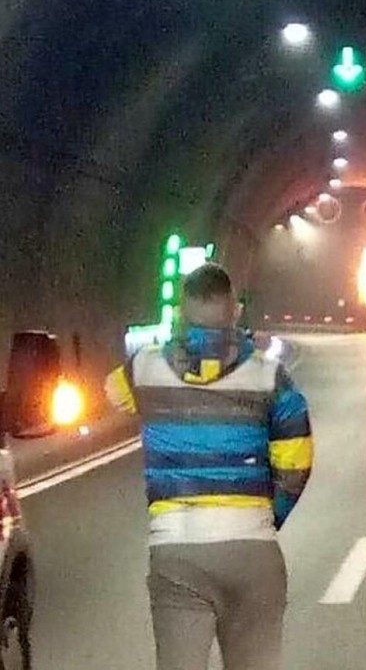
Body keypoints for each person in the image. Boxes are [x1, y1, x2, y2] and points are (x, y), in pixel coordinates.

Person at [105, 263, 312, 670]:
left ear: (180, 312)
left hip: (176, 550)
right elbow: (297, 462)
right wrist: (267, 518)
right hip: (251, 550)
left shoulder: (144, 369)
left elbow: (112, 394)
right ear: (235, 310)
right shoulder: (269, 375)